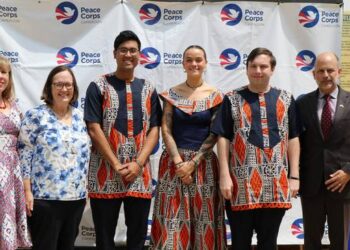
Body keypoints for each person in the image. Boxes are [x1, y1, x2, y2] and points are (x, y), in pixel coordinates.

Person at [212, 47, 300, 250]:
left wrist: (294, 176)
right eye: (253, 66)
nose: (258, 71)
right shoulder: (231, 99)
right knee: (240, 242)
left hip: (276, 183)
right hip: (240, 183)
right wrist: (224, 174)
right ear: (247, 68)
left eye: (263, 66)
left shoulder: (286, 99)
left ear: (272, 69)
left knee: (268, 243)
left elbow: (293, 137)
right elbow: (223, 137)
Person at [84, 30, 162, 250]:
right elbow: (93, 127)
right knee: (105, 237)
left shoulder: (148, 88)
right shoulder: (98, 86)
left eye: (133, 50)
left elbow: (155, 129)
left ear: (139, 55)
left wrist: (137, 163)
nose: (128, 54)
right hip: (104, 171)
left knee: (137, 236)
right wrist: (116, 164)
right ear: (115, 54)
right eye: (124, 50)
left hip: (140, 172)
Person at [150, 45, 226, 250]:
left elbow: (215, 132)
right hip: (173, 165)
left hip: (205, 165)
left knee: (204, 221)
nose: (194, 64)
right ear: (183, 64)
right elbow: (166, 129)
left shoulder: (216, 96)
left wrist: (192, 163)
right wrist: (179, 163)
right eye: (189, 60)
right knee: (173, 221)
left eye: (198, 59)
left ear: (206, 63)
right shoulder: (172, 94)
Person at [18, 65, 91, 250]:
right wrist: (27, 191)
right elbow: (25, 154)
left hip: (75, 199)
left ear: (74, 88)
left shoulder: (80, 117)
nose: (64, 89)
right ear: (49, 87)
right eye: (58, 84)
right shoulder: (35, 116)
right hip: (45, 200)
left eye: (68, 84)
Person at [296, 52, 350, 250]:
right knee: (311, 242)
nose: (326, 75)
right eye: (321, 71)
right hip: (311, 185)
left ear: (339, 72)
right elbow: (296, 143)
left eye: (330, 70)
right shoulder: (302, 104)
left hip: (343, 185)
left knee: (340, 243)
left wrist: (348, 171)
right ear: (314, 74)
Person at [0, 56, 31, 250]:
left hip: (12, 174)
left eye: (4, 72)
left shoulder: (15, 107)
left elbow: (25, 144)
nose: (0, 76)